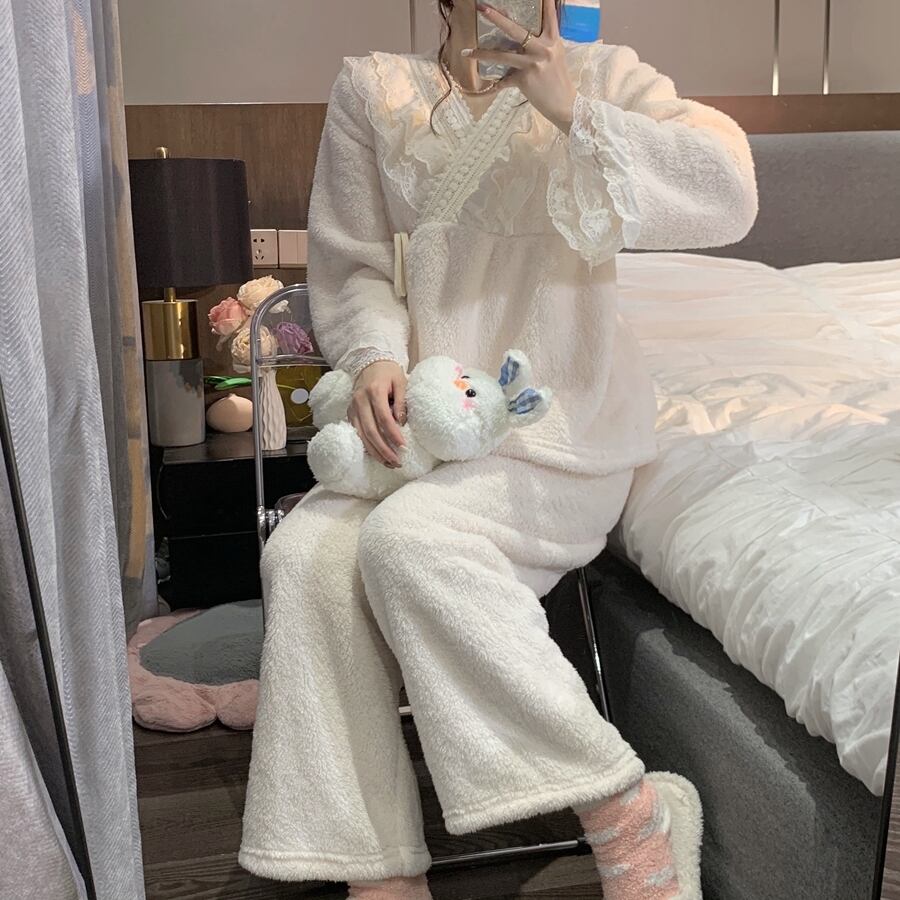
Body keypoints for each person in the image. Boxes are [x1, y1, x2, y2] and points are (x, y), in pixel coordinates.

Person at [240, 1, 758, 897]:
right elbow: (352, 260)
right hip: (425, 426)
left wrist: (572, 108)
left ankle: (629, 816)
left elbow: (730, 194)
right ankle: (377, 871)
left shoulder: (604, 75)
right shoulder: (374, 91)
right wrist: (372, 357)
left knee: (412, 544)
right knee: (303, 558)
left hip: (560, 425)